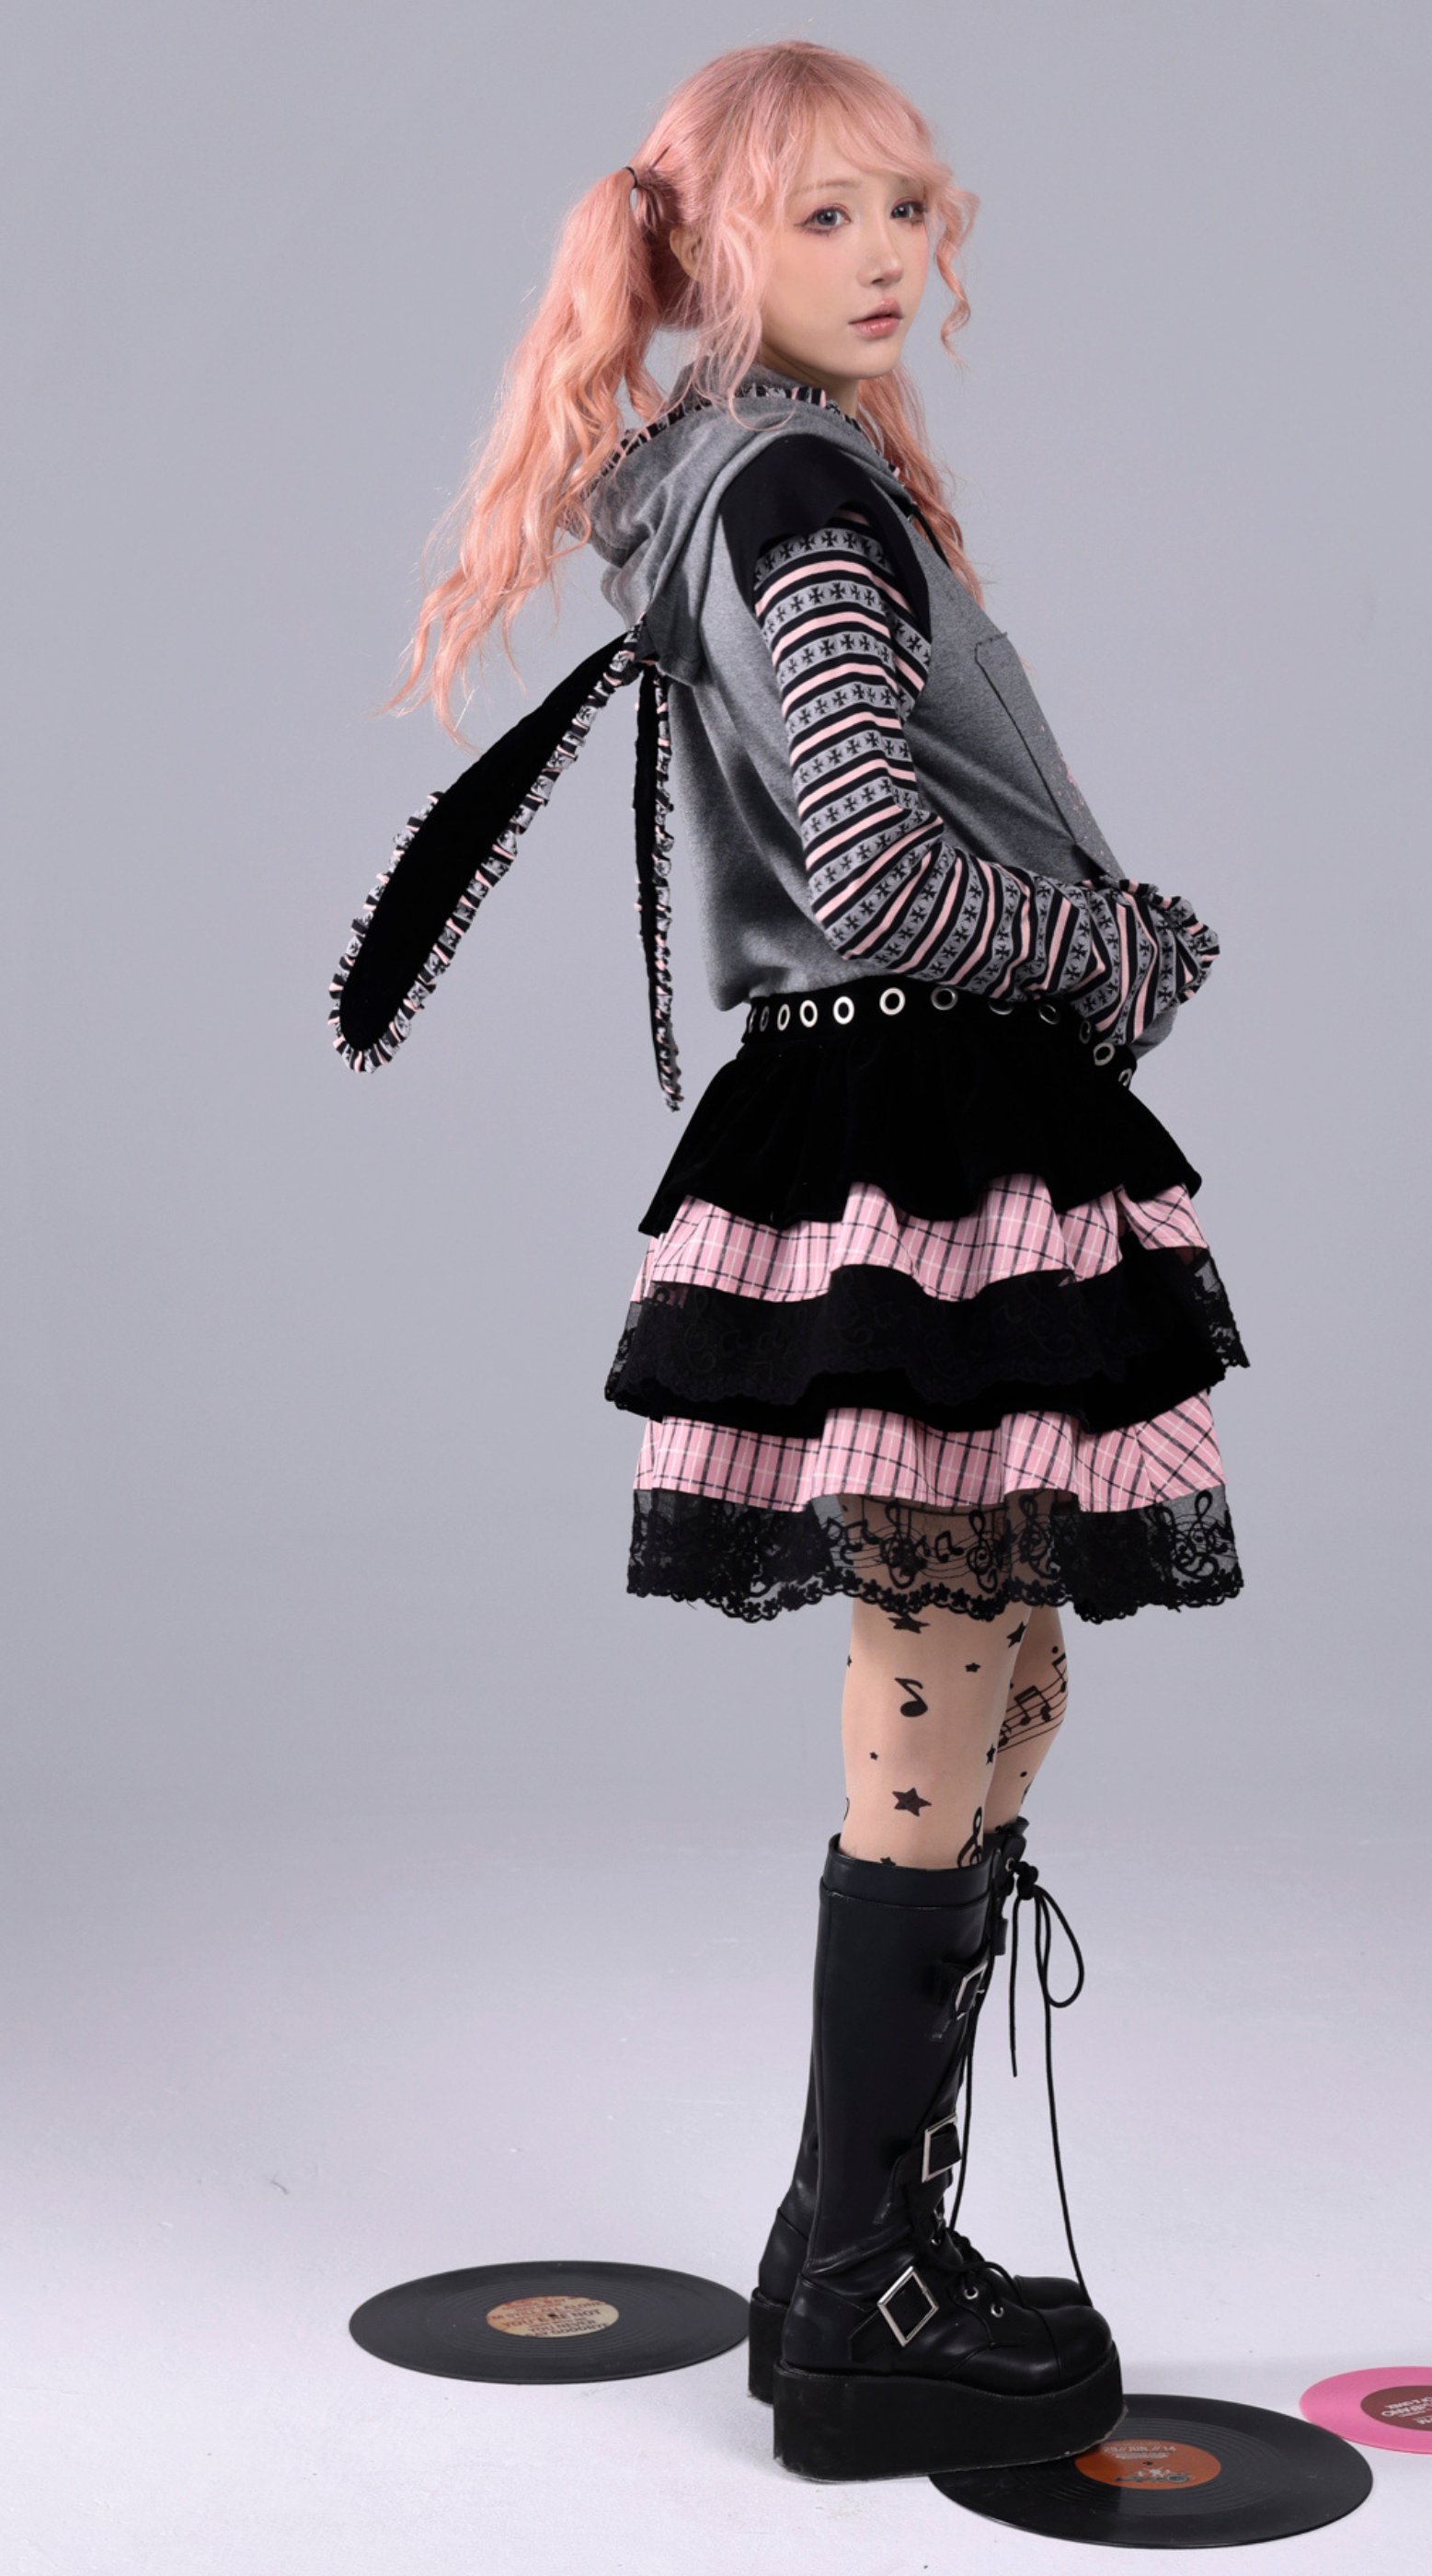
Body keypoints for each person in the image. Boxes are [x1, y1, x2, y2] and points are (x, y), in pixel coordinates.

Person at [334, 39, 1246, 2485]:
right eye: (824, 216)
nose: (886, 258)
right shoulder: (799, 490)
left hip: (927, 1104)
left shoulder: (772, 473)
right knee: (944, 1652)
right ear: (715, 248)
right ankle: (860, 2296)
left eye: (907, 209)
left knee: (1000, 1656)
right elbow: (875, 864)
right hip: (921, 1110)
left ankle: (853, 2229)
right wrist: (1121, 951)